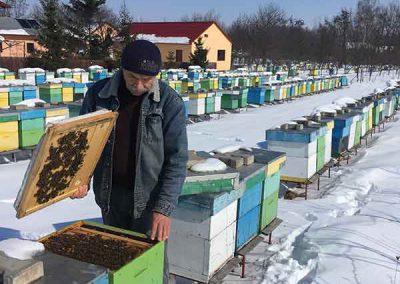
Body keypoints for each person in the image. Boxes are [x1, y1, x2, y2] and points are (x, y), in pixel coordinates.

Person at [71, 40, 188, 283]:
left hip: (148, 202)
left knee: (151, 268)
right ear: (122, 69)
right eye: (133, 77)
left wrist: (163, 209)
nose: (140, 85)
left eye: (148, 79)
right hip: (109, 197)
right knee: (116, 263)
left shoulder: (169, 102)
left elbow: (177, 159)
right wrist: (80, 177)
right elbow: (84, 143)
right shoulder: (98, 94)